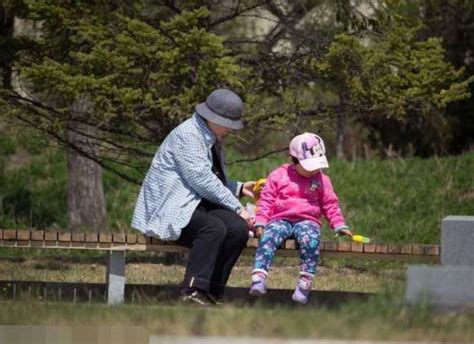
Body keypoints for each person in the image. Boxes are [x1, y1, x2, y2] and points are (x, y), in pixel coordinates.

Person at [131, 89, 255, 306]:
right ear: (214, 119)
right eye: (228, 124)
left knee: (238, 229)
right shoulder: (188, 135)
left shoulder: (209, 136)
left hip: (196, 204)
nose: (230, 130)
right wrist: (238, 208)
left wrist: (239, 187)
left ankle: (212, 293)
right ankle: (192, 290)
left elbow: (210, 177)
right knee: (213, 228)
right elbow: (201, 179)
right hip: (172, 207)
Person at [249, 132, 352, 304]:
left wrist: (339, 224)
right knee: (269, 237)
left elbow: (330, 204)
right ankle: (259, 277)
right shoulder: (279, 175)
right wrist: (261, 220)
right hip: (280, 219)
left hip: (307, 221)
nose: (313, 169)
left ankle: (305, 283)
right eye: (309, 165)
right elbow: (266, 199)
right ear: (294, 160)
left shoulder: (321, 180)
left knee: (311, 240)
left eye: (317, 165)